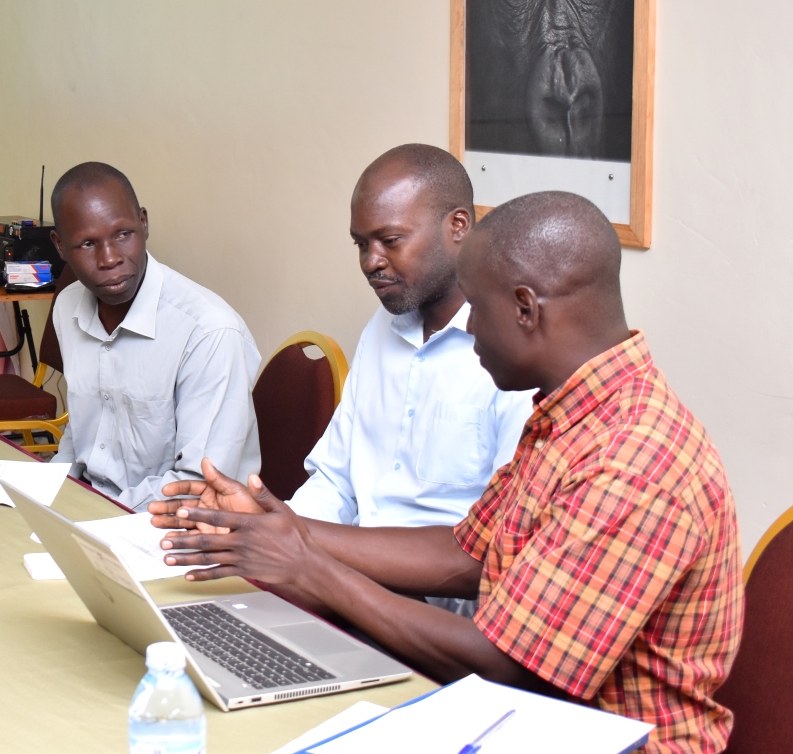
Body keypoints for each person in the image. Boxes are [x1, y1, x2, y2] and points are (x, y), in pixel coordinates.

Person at [151, 192, 743, 754]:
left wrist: (309, 568)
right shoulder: (574, 411)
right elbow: (468, 556)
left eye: (477, 310)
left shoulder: (633, 459)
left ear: (525, 309)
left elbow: (513, 668)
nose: (469, 330)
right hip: (519, 717)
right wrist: (282, 526)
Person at [289, 145, 533, 613]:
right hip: (348, 584)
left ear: (458, 227)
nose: (370, 262)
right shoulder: (383, 328)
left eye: (390, 241)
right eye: (361, 244)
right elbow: (337, 481)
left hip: (441, 618)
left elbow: (498, 554)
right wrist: (274, 538)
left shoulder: (514, 355)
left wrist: (298, 540)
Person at [48, 161, 262, 510]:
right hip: (89, 508)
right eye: (87, 244)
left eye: (122, 234)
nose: (109, 258)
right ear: (60, 246)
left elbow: (198, 484)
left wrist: (91, 516)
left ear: (143, 223)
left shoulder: (208, 332)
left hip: (172, 525)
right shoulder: (68, 306)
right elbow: (83, 433)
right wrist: (48, 494)